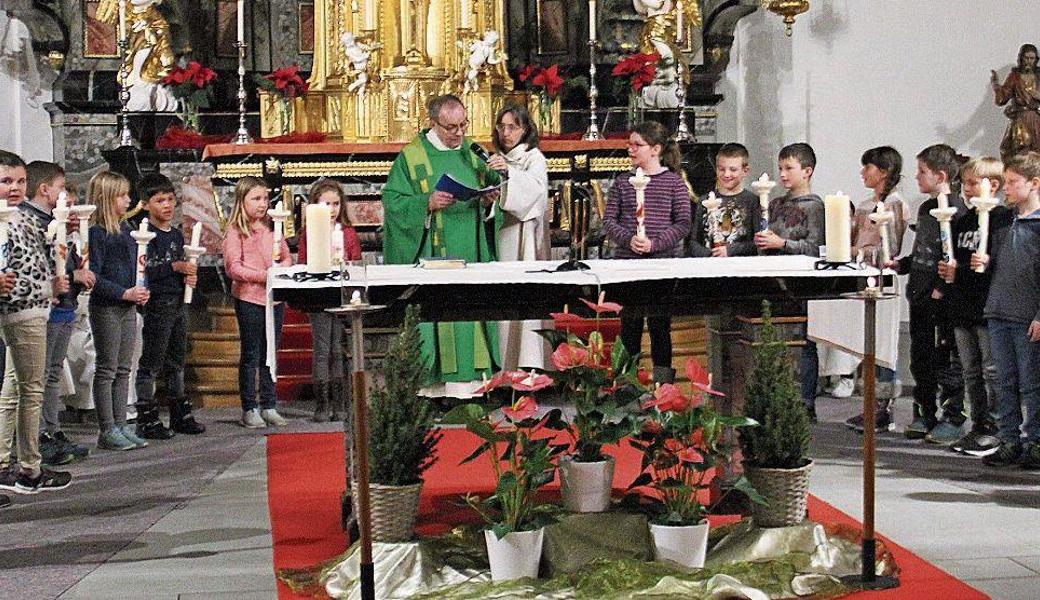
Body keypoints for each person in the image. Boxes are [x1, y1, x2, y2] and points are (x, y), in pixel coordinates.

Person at [381, 94, 502, 396]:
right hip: (433, 253)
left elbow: (493, 193)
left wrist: (490, 199)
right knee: (435, 317)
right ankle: (433, 389)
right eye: (451, 128)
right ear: (432, 123)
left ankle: (470, 387)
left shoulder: (473, 153)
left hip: (470, 252)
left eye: (463, 125)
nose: (459, 133)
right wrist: (426, 203)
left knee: (468, 313)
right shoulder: (412, 157)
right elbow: (393, 203)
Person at [0, 151, 71, 498]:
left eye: (19, 181)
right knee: (30, 389)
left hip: (31, 308)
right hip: (20, 311)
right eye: (6, 181)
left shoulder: (23, 218)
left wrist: (52, 284)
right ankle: (28, 467)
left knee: (17, 388)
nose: (14, 188)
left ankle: (10, 463)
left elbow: (32, 266)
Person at [602, 121, 691, 383]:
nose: (631, 149)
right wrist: (629, 240)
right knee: (629, 328)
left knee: (659, 328)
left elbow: (683, 222)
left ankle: (664, 388)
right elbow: (609, 220)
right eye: (629, 144)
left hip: (660, 265)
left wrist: (655, 243)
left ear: (656, 149)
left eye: (637, 145)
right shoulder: (622, 183)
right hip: (628, 265)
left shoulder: (674, 183)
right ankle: (627, 386)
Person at [887, 144, 966, 440]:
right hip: (919, 295)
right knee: (920, 358)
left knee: (944, 359)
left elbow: (953, 257)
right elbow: (925, 253)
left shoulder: (957, 210)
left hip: (942, 301)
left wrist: (941, 287)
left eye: (922, 172)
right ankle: (925, 413)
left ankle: (953, 415)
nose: (917, 178)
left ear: (941, 175)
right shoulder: (924, 209)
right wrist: (902, 264)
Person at [936, 158, 1012, 453]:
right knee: (970, 370)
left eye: (972, 183)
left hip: (987, 306)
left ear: (993, 185)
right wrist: (948, 272)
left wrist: (968, 269)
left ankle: (996, 427)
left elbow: (999, 264)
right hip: (962, 306)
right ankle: (978, 423)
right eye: (964, 183)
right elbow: (957, 259)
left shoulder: (1003, 219)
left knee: (992, 370)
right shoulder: (964, 221)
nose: (965, 189)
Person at [977, 152, 1040, 469]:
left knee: (1031, 384)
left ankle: (1035, 442)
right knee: (1004, 381)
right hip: (999, 310)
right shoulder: (1002, 220)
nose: (1006, 188)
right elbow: (1000, 265)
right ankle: (1009, 440)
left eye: (1014, 182)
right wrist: (985, 263)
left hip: (1026, 316)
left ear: (1034, 184)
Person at [28, 162, 94, 463]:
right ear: (45, 189)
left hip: (64, 305)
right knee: (39, 376)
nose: (66, 195)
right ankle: (39, 436)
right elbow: (43, 262)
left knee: (52, 373)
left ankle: (52, 431)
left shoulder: (58, 220)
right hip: (45, 307)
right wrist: (70, 273)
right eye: (62, 188)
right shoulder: (35, 221)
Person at [753, 143, 824, 418]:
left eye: (789, 168)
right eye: (780, 168)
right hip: (773, 280)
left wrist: (781, 242)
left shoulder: (815, 207)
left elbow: (815, 247)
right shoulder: (774, 203)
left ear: (807, 171)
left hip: (799, 285)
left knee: (803, 342)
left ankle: (806, 402)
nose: (782, 174)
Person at [842, 146, 910, 432]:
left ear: (883, 171)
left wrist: (864, 251)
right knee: (868, 341)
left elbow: (891, 247)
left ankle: (884, 407)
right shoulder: (864, 205)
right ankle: (870, 405)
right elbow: (854, 241)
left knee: (883, 343)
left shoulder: (895, 204)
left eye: (867, 167)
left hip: (884, 278)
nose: (862, 173)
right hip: (863, 276)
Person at [133, 173, 206, 439]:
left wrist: (189, 275)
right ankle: (147, 416)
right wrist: (175, 267)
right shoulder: (143, 234)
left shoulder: (175, 234)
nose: (167, 205)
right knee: (152, 361)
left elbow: (180, 267)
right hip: (157, 303)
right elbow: (144, 271)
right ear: (146, 204)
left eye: (170, 199)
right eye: (160, 200)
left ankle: (179, 412)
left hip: (176, 301)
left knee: (176, 360)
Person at [222, 176, 293, 428]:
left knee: (269, 354)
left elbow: (286, 257)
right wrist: (264, 276)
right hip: (250, 299)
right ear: (242, 201)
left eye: (265, 198)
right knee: (251, 354)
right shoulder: (235, 232)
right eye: (256, 198)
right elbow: (234, 267)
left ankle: (269, 404)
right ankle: (249, 407)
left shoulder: (271, 230)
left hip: (273, 301)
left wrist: (279, 270)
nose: (262, 204)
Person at [88, 171, 149, 451]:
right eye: (122, 196)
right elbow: (94, 276)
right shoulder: (97, 232)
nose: (128, 200)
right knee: (108, 369)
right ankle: (107, 427)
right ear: (106, 198)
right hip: (108, 307)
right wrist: (123, 292)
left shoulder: (125, 229)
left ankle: (122, 422)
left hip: (127, 306)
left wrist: (140, 289)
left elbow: (135, 266)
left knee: (125, 369)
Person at [487, 104, 550, 371]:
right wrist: (490, 198)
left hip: (525, 237)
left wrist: (508, 174)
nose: (506, 132)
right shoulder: (495, 157)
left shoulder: (533, 158)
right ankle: (503, 365)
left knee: (523, 299)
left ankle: (529, 365)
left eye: (513, 127)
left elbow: (535, 195)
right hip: (502, 234)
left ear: (525, 129)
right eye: (502, 126)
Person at [298, 179, 362, 421]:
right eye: (327, 204)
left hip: (343, 295)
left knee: (339, 348)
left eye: (336, 204)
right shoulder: (309, 233)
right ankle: (322, 403)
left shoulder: (348, 233)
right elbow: (304, 263)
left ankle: (341, 402)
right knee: (323, 349)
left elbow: (355, 261)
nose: (333, 209)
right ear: (315, 206)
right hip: (319, 297)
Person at [689, 142, 760, 257]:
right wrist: (710, 254)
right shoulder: (704, 200)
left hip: (740, 267)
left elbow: (757, 242)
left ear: (745, 171)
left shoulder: (753, 201)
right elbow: (693, 241)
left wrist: (731, 250)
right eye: (722, 169)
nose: (727, 174)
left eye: (733, 170)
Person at [992, 44, 1040, 160]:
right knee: (1018, 152)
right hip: (1021, 119)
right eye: (1026, 58)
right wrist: (996, 86)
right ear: (1021, 58)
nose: (1029, 61)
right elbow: (1002, 99)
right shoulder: (1015, 77)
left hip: (1037, 119)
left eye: (1032, 58)